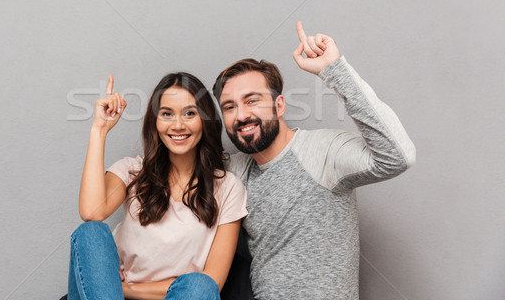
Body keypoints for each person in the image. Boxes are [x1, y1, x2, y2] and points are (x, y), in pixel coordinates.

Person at [214, 22, 416, 300]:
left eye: (252, 100)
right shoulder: (235, 171)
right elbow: (177, 176)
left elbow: (398, 156)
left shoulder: (322, 151)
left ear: (279, 105)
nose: (241, 115)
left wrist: (333, 69)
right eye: (229, 107)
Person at [67, 72, 248, 300]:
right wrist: (99, 130)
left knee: (200, 286)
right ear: (155, 121)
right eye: (167, 114)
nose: (178, 125)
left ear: (206, 120)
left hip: (165, 296)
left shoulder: (228, 188)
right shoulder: (132, 169)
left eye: (190, 113)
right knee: (91, 232)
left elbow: (213, 282)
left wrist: (128, 290)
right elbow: (91, 212)